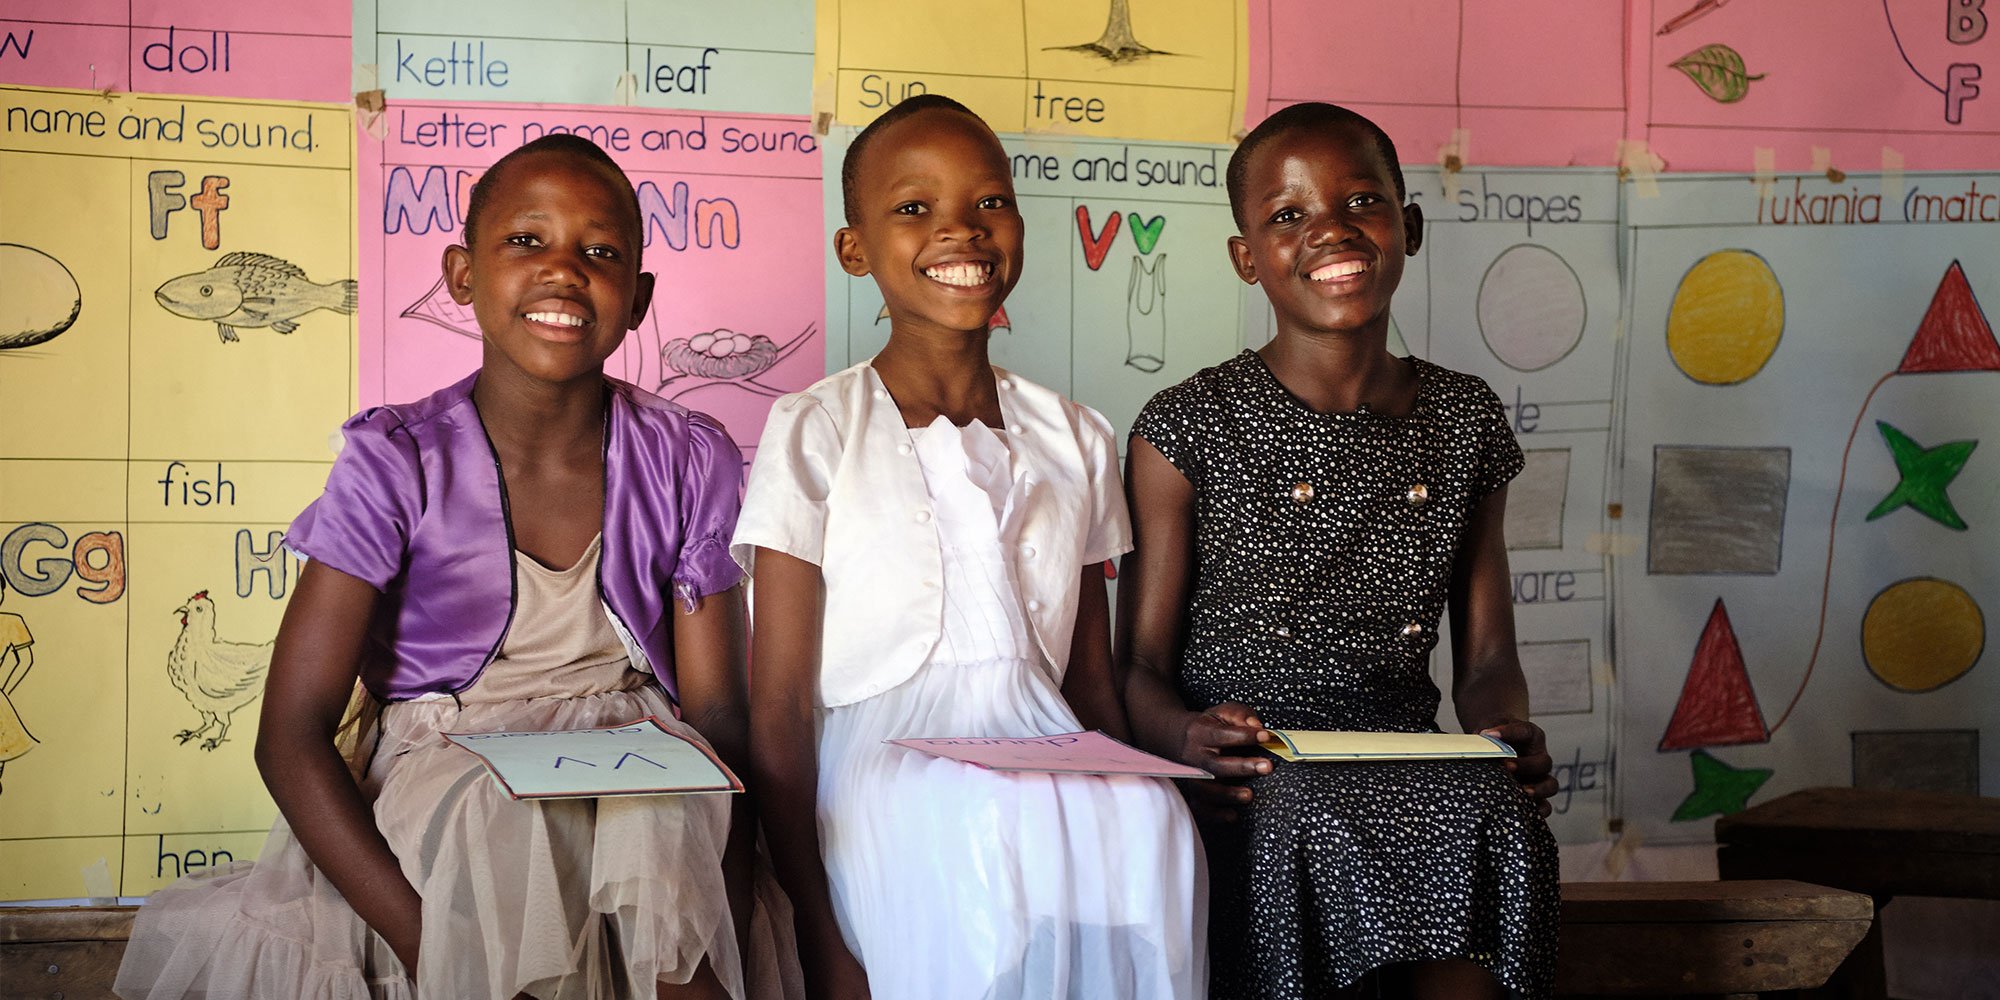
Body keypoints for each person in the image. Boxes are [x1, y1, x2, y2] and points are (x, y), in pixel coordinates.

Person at [117, 134, 794, 1000]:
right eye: (524, 240)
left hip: (640, 779)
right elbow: (290, 735)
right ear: (462, 275)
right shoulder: (395, 460)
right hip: (453, 775)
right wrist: (427, 943)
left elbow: (716, 713)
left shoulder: (688, 456)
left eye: (600, 251)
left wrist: (722, 923)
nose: (563, 270)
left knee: (663, 817)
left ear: (638, 298)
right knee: (494, 827)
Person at [734, 95, 1205, 1000]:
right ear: (855, 249)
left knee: (1152, 822)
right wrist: (815, 924)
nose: (962, 230)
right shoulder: (815, 429)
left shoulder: (1074, 434)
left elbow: (1090, 683)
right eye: (914, 208)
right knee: (974, 819)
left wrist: (1155, 768)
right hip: (886, 755)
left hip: (1048, 741)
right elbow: (784, 707)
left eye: (989, 203)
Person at [1117, 102, 1562, 999]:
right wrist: (1190, 741)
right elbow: (1139, 667)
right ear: (1248, 258)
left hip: (1411, 762)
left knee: (1499, 816)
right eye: (1288, 215)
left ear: (1411, 227)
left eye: (1362, 200)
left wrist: (1501, 732)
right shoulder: (1187, 427)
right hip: (1251, 778)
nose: (1329, 229)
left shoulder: (1464, 418)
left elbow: (1487, 657)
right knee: (1300, 807)